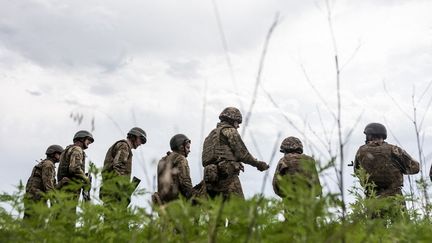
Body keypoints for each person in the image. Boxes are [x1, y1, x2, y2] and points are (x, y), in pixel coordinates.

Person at [353, 123, 419, 218]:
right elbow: (415, 168)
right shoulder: (393, 149)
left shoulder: (361, 151)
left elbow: (357, 172)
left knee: (375, 231)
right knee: (402, 229)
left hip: (373, 199)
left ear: (370, 135)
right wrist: (400, 167)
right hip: (395, 198)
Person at [202, 107, 269, 199]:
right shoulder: (230, 131)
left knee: (218, 211)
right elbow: (243, 154)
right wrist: (258, 164)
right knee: (239, 209)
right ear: (232, 120)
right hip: (227, 178)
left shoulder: (210, 135)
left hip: (212, 180)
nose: (238, 126)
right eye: (237, 122)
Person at [100, 127, 147, 207]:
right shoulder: (124, 146)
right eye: (141, 140)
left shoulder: (123, 146)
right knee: (113, 217)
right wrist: (123, 190)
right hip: (115, 190)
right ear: (134, 136)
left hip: (110, 189)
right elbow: (118, 167)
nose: (140, 144)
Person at [57, 130, 94, 224]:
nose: (89, 142)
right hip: (70, 190)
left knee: (60, 217)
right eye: (88, 139)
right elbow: (74, 168)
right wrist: (86, 179)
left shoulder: (67, 150)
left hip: (62, 188)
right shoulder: (77, 149)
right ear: (81, 139)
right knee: (68, 219)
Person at [24, 145, 64, 219]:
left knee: (31, 219)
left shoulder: (45, 163)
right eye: (59, 154)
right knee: (36, 220)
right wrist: (54, 199)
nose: (61, 156)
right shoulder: (48, 165)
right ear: (53, 154)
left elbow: (51, 184)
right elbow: (48, 184)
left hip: (34, 195)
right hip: (37, 196)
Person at [153, 134, 194, 205]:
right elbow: (185, 183)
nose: (189, 150)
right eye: (187, 147)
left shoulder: (162, 160)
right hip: (178, 206)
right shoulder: (180, 159)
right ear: (181, 147)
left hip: (164, 206)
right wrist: (193, 199)